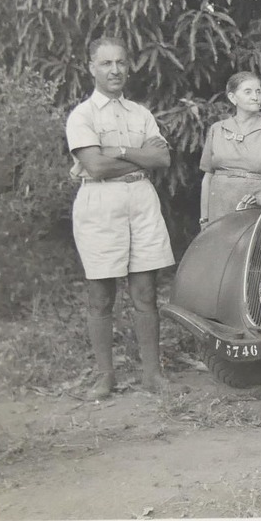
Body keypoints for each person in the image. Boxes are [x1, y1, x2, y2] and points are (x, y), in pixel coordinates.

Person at [64, 36, 176, 401]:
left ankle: (152, 375)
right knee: (101, 295)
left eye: (121, 63)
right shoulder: (83, 115)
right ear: (91, 67)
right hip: (100, 205)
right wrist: (138, 154)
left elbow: (161, 160)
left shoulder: (141, 114)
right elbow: (94, 165)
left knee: (145, 291)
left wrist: (121, 151)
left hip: (140, 199)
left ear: (128, 67)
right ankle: (105, 377)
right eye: (106, 63)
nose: (115, 70)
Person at [198, 71, 261, 227]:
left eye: (258, 92)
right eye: (248, 92)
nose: (255, 97)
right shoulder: (217, 129)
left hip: (256, 211)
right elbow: (207, 178)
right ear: (232, 98)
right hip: (220, 211)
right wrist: (204, 219)